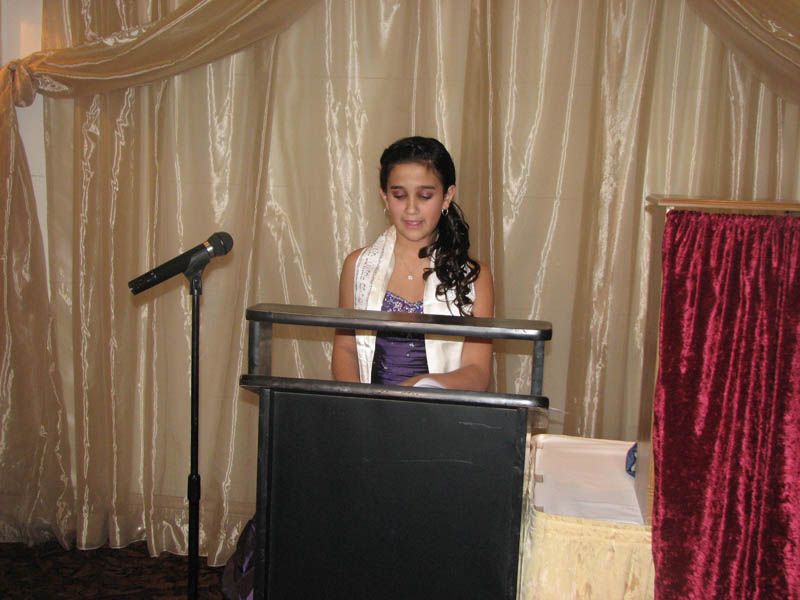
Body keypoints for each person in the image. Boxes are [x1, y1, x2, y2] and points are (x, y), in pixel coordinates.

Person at [332, 135, 494, 391]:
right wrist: (360, 406)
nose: (411, 209)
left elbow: (477, 370)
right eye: (399, 195)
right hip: (368, 415)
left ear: (447, 196)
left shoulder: (474, 276)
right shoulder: (358, 266)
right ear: (384, 196)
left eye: (425, 196)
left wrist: (424, 385)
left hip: (441, 417)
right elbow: (345, 350)